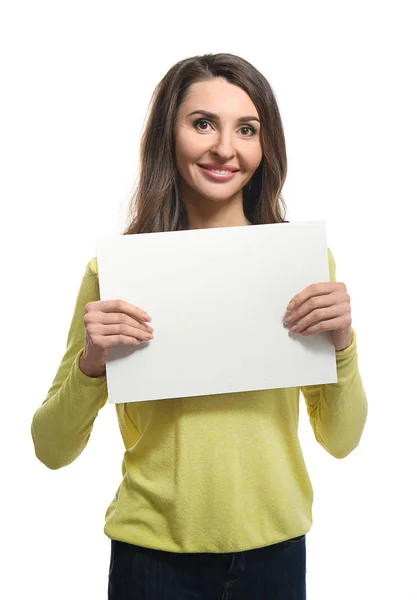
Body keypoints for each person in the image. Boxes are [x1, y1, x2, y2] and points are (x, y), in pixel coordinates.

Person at [31, 53, 368, 600]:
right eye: (203, 123)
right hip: (152, 561)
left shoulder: (303, 264)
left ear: (266, 145)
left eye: (247, 129)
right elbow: (51, 448)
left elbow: (343, 439)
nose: (225, 149)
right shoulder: (114, 275)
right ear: (170, 134)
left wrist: (343, 344)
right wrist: (91, 364)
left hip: (276, 555)